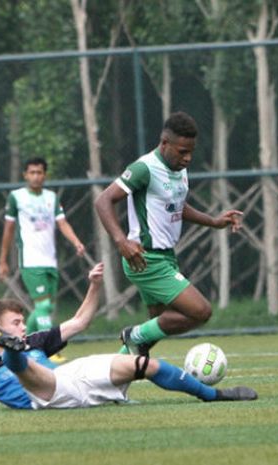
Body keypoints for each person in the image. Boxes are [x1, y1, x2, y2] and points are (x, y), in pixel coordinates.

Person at [0, 263, 257, 413]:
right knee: (24, 366)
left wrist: (94, 285)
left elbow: (80, 321)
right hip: (46, 396)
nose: (24, 326)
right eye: (16, 323)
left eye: (24, 321)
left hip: (71, 377)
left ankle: (213, 396)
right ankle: (13, 355)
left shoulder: (38, 340)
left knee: (145, 363)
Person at [94, 112, 243, 356]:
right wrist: (121, 241)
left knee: (154, 331)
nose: (188, 158)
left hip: (166, 257)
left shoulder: (179, 168)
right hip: (145, 258)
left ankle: (109, 379)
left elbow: (177, 205)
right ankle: (133, 335)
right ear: (164, 144)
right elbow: (103, 201)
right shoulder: (145, 168)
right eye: (182, 151)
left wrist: (215, 222)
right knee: (201, 311)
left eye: (191, 151)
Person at [0, 157, 85, 363]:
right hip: (30, 260)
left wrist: (76, 242)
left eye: (39, 172)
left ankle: (20, 343)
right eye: (32, 173)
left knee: (43, 309)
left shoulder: (51, 198)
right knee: (44, 307)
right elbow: (8, 230)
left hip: (50, 261)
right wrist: (3, 260)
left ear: (45, 175)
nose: (36, 176)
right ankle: (51, 350)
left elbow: (62, 223)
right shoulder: (16, 197)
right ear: (25, 175)